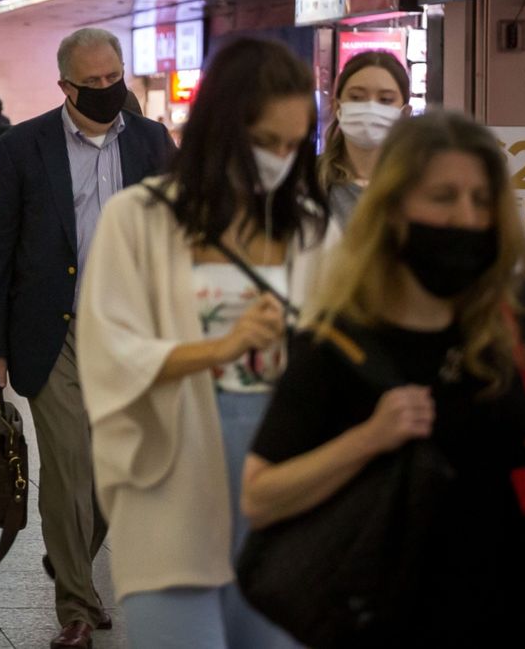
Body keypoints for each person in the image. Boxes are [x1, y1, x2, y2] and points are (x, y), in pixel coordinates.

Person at [243, 111, 525, 647]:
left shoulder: (514, 320)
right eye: (443, 197)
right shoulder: (338, 340)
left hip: (511, 618)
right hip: (377, 623)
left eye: (481, 200)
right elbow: (260, 496)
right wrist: (367, 439)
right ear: (395, 208)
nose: (466, 217)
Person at [75, 37, 334, 649]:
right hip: (172, 478)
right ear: (221, 128)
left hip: (283, 482)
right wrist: (221, 348)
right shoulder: (138, 219)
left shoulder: (310, 230)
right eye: (266, 140)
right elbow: (109, 349)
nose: (279, 158)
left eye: (293, 145)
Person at [0, 26, 176, 648]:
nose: (105, 90)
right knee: (68, 467)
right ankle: (77, 608)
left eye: (113, 79)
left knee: (120, 475)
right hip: (50, 331)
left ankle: (71, 561)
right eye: (91, 83)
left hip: (128, 330)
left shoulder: (151, 141)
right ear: (65, 86)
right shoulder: (23, 147)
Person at [318, 51, 411, 228]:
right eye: (356, 97)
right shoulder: (310, 180)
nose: (370, 107)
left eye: (385, 100)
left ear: (405, 113)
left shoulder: (418, 184)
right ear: (337, 106)